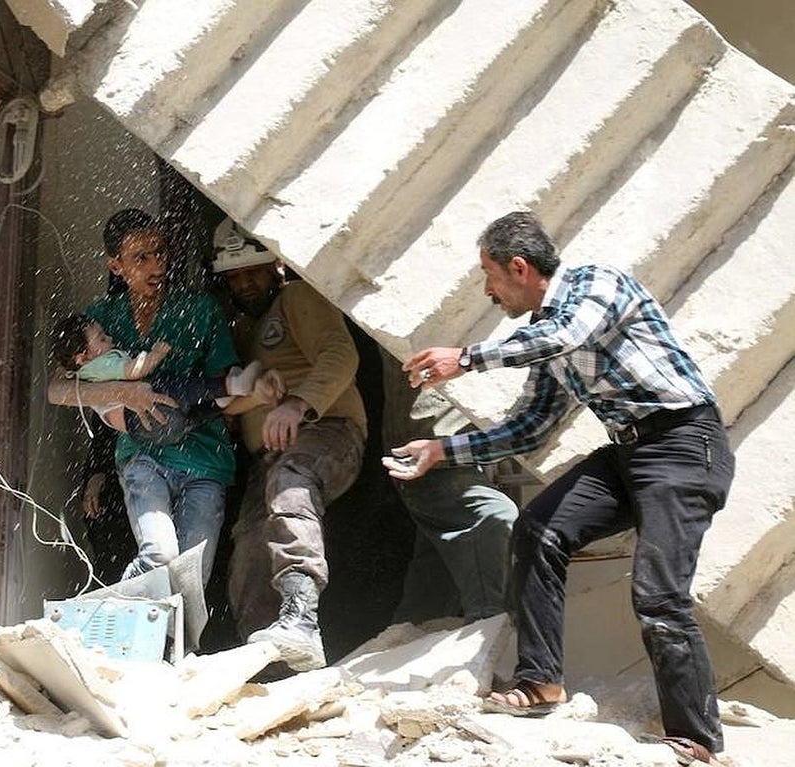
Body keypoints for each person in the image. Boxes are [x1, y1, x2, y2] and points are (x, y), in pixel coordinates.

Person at [386, 211, 734, 766]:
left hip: (683, 443)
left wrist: (468, 358)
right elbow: (531, 427)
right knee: (540, 530)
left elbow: (566, 335)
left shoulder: (598, 285)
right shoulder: (544, 342)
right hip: (629, 452)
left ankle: (697, 742)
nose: (487, 290)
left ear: (519, 268)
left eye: (489, 275)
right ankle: (540, 681)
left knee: (658, 595)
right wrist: (441, 451)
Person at [48, 209, 239, 584]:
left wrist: (256, 389)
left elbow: (231, 383)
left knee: (191, 579)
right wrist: (125, 392)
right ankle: (123, 605)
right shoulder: (100, 318)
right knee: (160, 557)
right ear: (116, 266)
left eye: (160, 253)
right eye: (141, 258)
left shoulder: (200, 310)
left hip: (205, 458)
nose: (156, 266)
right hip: (142, 456)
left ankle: (180, 646)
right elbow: (56, 390)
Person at [214, 217, 367, 671]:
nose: (244, 283)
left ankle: (300, 619)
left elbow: (342, 354)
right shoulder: (241, 329)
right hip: (271, 456)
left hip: (329, 431)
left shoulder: (296, 298)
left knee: (290, 483)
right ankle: (269, 661)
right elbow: (226, 406)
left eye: (253, 271)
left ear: (277, 266)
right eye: (235, 276)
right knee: (250, 540)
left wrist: (298, 405)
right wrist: (257, 394)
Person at [381, 358, 518, 624]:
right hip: (428, 456)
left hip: (478, 453)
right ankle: (487, 629)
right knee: (493, 518)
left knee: (439, 572)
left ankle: (409, 636)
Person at [49, 312, 282, 445]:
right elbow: (134, 371)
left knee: (188, 419)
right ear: (82, 357)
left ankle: (218, 404)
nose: (109, 338)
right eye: (101, 339)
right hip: (141, 413)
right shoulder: (101, 365)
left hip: (149, 431)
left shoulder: (79, 374)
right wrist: (155, 355)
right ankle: (230, 386)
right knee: (177, 388)